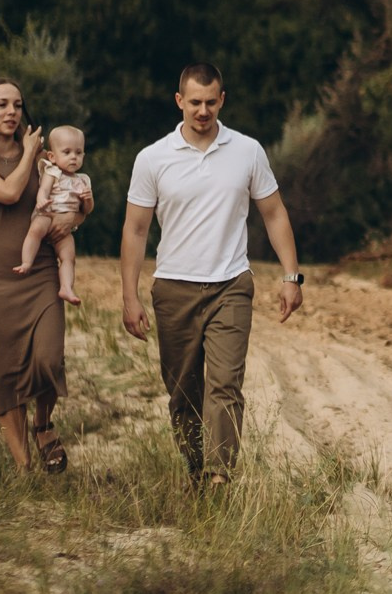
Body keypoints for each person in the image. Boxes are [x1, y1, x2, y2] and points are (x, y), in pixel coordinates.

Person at [119, 62, 304, 481]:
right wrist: (129, 297)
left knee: (224, 386)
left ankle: (219, 477)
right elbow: (135, 229)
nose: (203, 111)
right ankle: (197, 470)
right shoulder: (153, 158)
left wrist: (292, 276)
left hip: (231, 286)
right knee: (183, 393)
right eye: (194, 103)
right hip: (173, 288)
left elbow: (274, 214)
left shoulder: (248, 151)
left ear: (222, 100)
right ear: (179, 101)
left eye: (211, 102)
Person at [0, 77, 86, 472]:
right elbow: (8, 193)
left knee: (48, 357)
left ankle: (43, 424)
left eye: (17, 105)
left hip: (41, 271)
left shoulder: (44, 157)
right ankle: (24, 468)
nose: (11, 112)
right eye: (1, 105)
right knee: (5, 370)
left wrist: (74, 217)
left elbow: (74, 198)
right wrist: (30, 153)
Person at [14, 124, 92, 306]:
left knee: (68, 257)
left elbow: (86, 210)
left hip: (66, 228)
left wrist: (87, 200)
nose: (73, 157)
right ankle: (26, 261)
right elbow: (43, 191)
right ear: (52, 156)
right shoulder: (52, 172)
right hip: (47, 214)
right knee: (35, 230)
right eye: (67, 152)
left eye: (78, 152)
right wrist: (41, 200)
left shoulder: (83, 180)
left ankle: (66, 287)